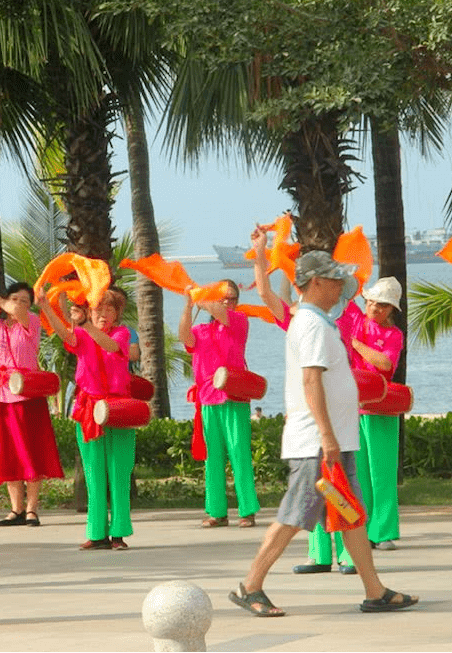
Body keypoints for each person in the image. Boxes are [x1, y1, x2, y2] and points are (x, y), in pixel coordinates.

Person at [228, 251, 417, 616]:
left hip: (335, 441)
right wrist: (327, 437)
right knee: (295, 513)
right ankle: (250, 586)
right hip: (317, 443)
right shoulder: (311, 325)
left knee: (351, 514)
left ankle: (375, 590)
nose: (340, 288)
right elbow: (311, 380)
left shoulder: (322, 322)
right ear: (316, 282)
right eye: (334, 281)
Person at [0, 262, 63, 526]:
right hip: (1, 397)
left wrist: (2, 300)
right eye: (15, 298)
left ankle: (32, 509)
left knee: (31, 452)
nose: (21, 303)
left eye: (25, 300)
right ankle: (16, 509)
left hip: (27, 393)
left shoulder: (30, 321)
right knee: (7, 454)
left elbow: (17, 312)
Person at [38, 288, 135, 551]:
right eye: (98, 309)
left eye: (109, 310)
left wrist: (88, 325)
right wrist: (46, 306)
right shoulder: (81, 334)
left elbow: (111, 346)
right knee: (93, 473)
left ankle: (118, 534)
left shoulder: (122, 334)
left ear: (117, 314)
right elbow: (64, 333)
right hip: (89, 408)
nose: (103, 314)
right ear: (90, 311)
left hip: (118, 408)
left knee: (119, 472)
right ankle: (96, 533)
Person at [179, 279, 260, 529]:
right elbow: (184, 336)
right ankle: (217, 511)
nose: (227, 301)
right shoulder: (201, 330)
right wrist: (188, 305)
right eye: (223, 296)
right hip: (207, 397)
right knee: (212, 457)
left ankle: (247, 510)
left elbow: (219, 311)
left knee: (239, 452)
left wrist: (198, 294)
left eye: (232, 297)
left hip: (233, 394)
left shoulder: (238, 321)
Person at [340, 276, 405, 551]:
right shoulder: (356, 319)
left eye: (381, 306)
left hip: (382, 407)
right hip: (355, 407)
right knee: (360, 473)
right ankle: (363, 530)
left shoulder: (394, 335)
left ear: (391, 309)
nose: (374, 309)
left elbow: (385, 362)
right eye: (370, 303)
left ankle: (384, 530)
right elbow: (342, 295)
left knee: (383, 473)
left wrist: (356, 345)